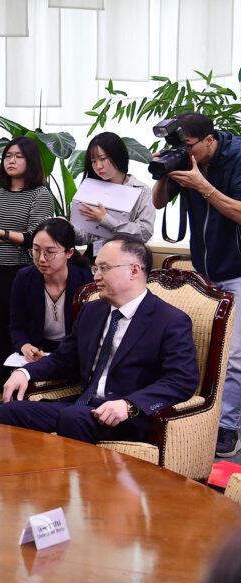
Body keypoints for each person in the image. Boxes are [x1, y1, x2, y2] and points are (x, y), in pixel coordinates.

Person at [0, 234, 199, 444]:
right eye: (96, 269)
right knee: (10, 412)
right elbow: (64, 359)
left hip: (128, 417)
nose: (96, 277)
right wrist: (25, 372)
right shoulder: (92, 311)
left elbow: (182, 380)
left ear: (134, 270)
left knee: (72, 417)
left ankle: (75, 477)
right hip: (84, 407)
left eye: (104, 268)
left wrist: (129, 405)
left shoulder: (170, 320)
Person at [152, 112, 241, 457]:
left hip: (236, 268)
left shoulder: (235, 157)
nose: (184, 152)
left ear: (209, 139)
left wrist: (201, 185)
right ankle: (195, 415)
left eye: (188, 146)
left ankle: (229, 426)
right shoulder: (185, 157)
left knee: (232, 355)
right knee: (199, 347)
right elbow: (159, 202)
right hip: (204, 269)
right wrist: (163, 171)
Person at [0, 136, 55, 408]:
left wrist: (5, 234)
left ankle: (25, 389)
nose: (11, 160)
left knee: (25, 334)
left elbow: (39, 236)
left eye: (18, 156)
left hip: (27, 274)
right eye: (8, 155)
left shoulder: (41, 194)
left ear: (30, 161)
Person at [10, 218, 93, 362]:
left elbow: (91, 331)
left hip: (76, 353)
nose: (41, 259)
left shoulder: (85, 280)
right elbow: (17, 326)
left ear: (69, 252)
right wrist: (25, 345)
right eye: (36, 250)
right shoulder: (24, 278)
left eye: (50, 252)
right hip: (39, 350)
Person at [75, 132, 155, 254]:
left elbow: (144, 233)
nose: (98, 166)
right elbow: (86, 237)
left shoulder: (141, 190)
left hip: (126, 259)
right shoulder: (92, 188)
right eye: (93, 161)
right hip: (96, 257)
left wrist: (105, 219)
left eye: (103, 159)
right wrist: (66, 227)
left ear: (117, 156)